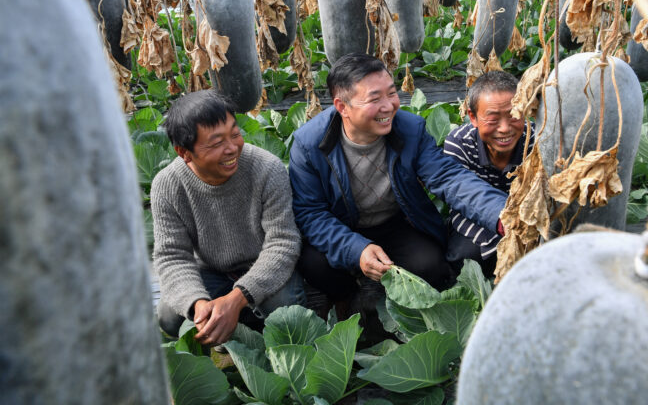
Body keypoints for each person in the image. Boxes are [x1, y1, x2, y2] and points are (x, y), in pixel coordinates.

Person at [289, 53, 508, 309]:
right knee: (314, 265)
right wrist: (357, 249)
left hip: (394, 223)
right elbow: (311, 214)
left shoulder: (410, 129)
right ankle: (348, 297)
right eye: (374, 98)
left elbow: (449, 178)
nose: (389, 106)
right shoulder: (309, 145)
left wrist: (501, 215)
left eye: (391, 93)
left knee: (431, 267)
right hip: (340, 225)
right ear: (342, 107)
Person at [152, 90, 304, 345]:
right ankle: (231, 325)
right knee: (170, 316)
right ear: (184, 152)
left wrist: (237, 299)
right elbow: (172, 256)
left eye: (235, 134)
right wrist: (198, 305)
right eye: (215, 143)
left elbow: (283, 242)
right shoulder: (167, 185)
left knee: (286, 311)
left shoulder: (266, 168)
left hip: (262, 265)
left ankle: (243, 318)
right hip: (210, 270)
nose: (232, 148)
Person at [443, 71, 534, 277]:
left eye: (514, 115)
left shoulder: (537, 142)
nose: (504, 128)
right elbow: (460, 204)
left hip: (527, 224)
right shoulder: (459, 143)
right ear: (473, 117)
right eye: (492, 119)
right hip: (476, 222)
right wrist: (503, 244)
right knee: (464, 258)